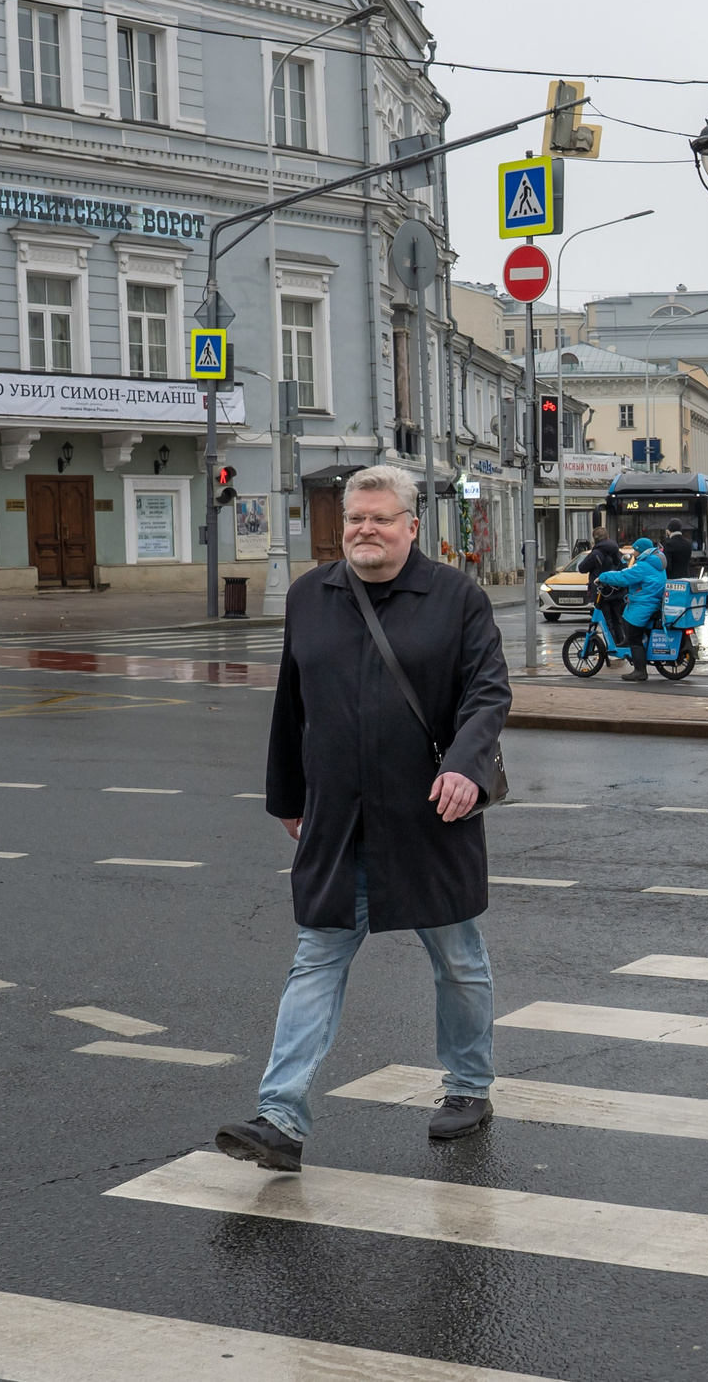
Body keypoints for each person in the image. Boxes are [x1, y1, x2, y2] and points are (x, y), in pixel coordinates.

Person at [217, 463, 511, 1169]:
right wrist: (289, 797)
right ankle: (280, 1117)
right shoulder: (310, 597)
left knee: (458, 959)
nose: (365, 530)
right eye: (355, 518)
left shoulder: (456, 597)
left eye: (381, 518)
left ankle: (469, 1085)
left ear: (413, 525)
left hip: (427, 815)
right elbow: (293, 705)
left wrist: (465, 766)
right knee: (315, 959)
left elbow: (489, 692)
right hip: (339, 820)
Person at [596, 535, 667, 681]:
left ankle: (640, 671)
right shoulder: (656, 562)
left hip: (645, 604)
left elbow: (623, 577)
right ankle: (629, 643)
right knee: (625, 611)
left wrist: (603, 577)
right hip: (651, 600)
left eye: (635, 550)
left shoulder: (643, 566)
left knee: (635, 636)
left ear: (641, 551)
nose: (633, 553)